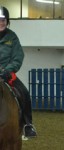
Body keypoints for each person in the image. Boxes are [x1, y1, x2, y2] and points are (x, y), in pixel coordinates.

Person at [0, 6, 37, 138]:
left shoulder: (12, 37)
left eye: (3, 20)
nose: (1, 22)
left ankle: (28, 125)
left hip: (7, 75)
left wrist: (8, 70)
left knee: (25, 93)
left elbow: (18, 56)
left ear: (7, 21)